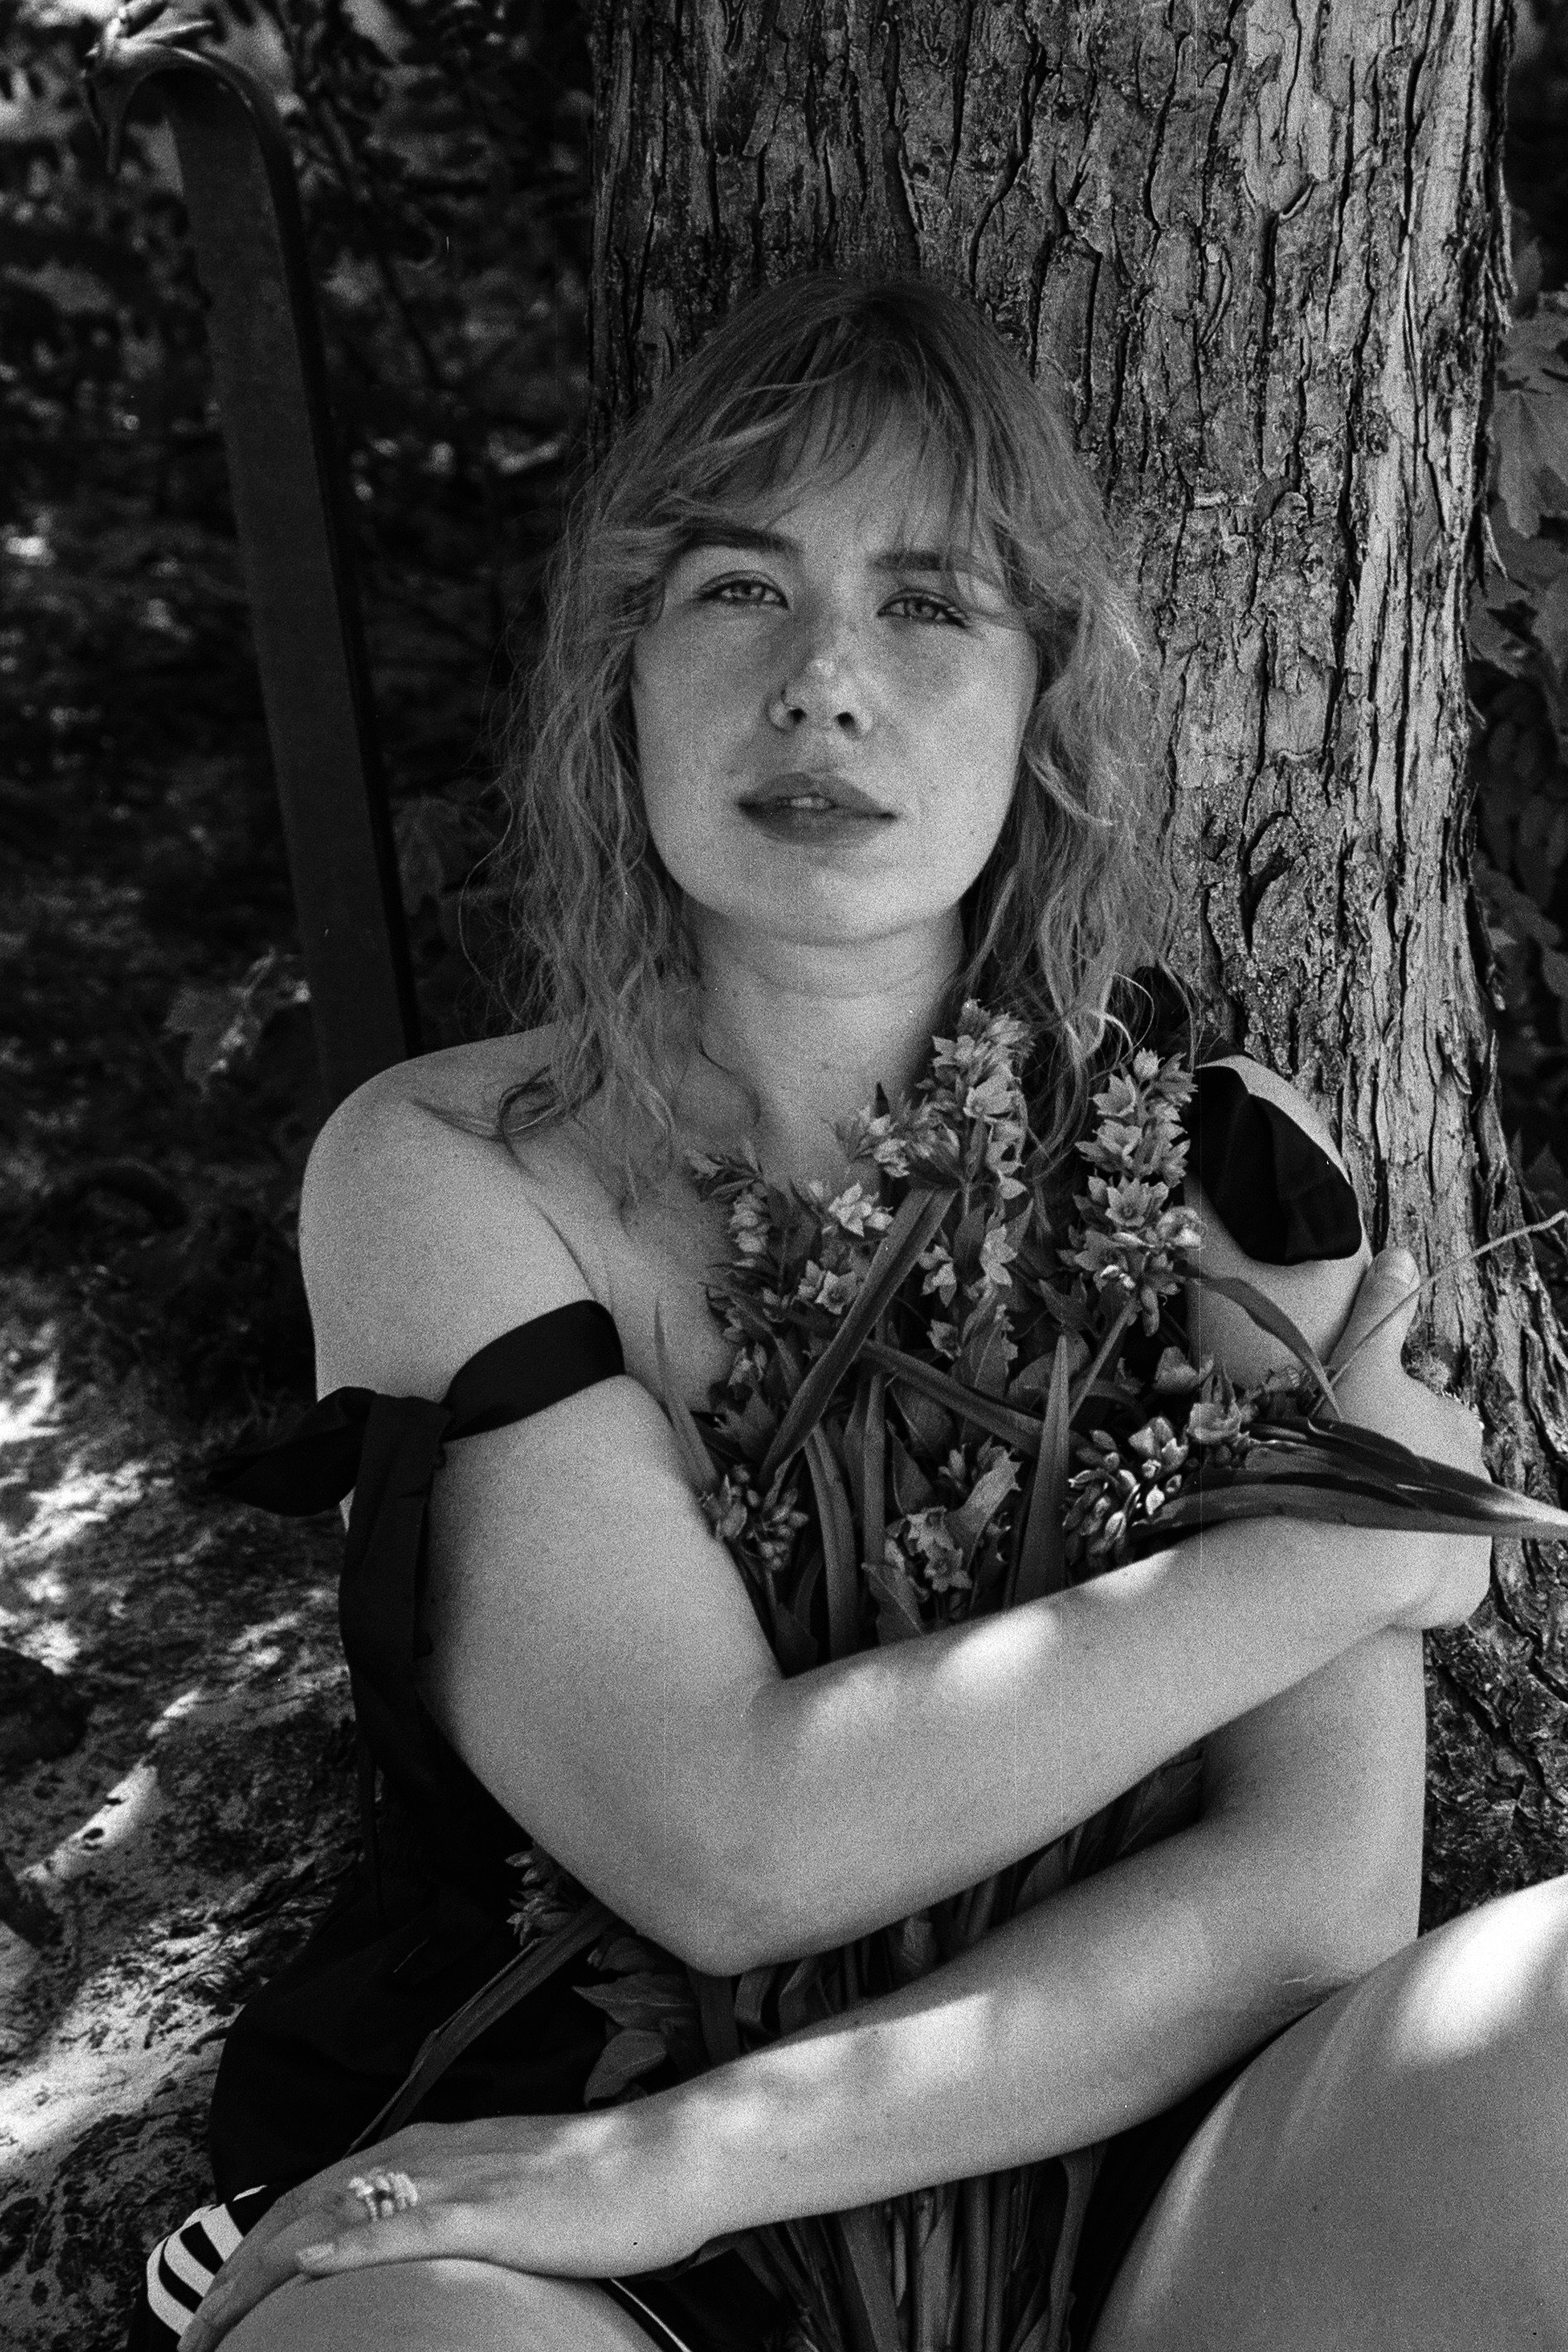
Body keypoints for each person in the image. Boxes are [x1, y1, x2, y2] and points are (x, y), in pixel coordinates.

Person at [134, 271, 1556, 2352]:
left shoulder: (1224, 1165)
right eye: (734, 589)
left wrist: (706, 2149)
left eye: (925, 605)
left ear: (1041, 702)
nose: (821, 685)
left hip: (1133, 2193)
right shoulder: (459, 1167)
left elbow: (1304, 1900)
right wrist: (1348, 1552)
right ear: (620, 671)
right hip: (570, 2217)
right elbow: (723, 1841)